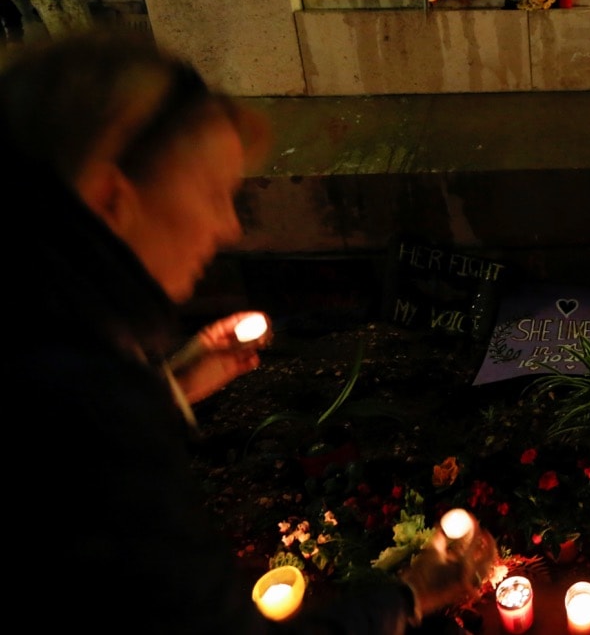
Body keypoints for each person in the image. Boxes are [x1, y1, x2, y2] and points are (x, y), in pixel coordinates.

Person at [3, 31, 496, 633]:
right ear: (109, 199)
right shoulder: (96, 417)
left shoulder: (53, 334)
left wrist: (172, 388)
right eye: (213, 194)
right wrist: (408, 596)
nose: (229, 228)